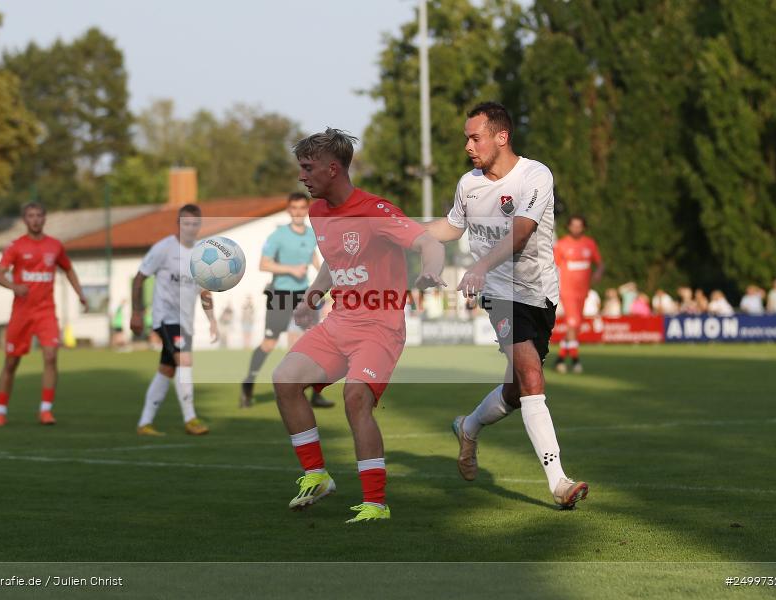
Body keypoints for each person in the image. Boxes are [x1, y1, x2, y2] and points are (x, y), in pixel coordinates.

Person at [271, 128, 446, 523]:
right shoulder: (318, 213)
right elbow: (335, 262)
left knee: (355, 399)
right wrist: (312, 296)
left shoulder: (375, 210)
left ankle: (375, 504)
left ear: (333, 169)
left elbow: (428, 243)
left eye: (308, 167)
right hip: (340, 323)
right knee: (285, 380)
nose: (302, 176)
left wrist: (431, 272)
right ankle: (316, 475)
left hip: (380, 327)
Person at [425, 101, 589, 509]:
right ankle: (559, 482)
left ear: (502, 137)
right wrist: (404, 230)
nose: (467, 145)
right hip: (500, 294)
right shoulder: (468, 185)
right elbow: (450, 226)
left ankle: (469, 426)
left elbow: (520, 233)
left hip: (539, 294)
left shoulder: (535, 175)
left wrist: (479, 264)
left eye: (474, 137)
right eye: (466, 137)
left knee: (518, 390)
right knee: (532, 376)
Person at [0, 201, 87, 427]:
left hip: (46, 312)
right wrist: (14, 286)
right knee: (11, 363)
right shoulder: (15, 247)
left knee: (51, 356)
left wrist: (80, 293)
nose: (35, 219)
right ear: (25, 220)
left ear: (45, 218)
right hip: (22, 313)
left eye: (39, 215)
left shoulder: (54, 246)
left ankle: (45, 411)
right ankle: (0, 412)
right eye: (30, 216)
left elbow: (68, 269)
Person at [130, 204, 218, 436]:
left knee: (166, 370)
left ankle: (144, 423)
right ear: (178, 224)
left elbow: (205, 291)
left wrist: (212, 320)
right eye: (185, 223)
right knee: (185, 361)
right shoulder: (164, 248)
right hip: (165, 318)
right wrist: (136, 312)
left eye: (194, 223)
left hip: (185, 322)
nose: (190, 228)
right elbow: (138, 279)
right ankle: (191, 418)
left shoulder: (201, 254)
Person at [239, 192, 332, 409]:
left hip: (305, 296)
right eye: (295, 208)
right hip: (279, 295)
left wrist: (327, 284)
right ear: (289, 210)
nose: (298, 212)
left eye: (302, 208)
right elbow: (263, 264)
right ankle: (248, 384)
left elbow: (315, 261)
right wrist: (290, 269)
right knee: (269, 343)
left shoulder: (312, 235)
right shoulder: (278, 235)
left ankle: (315, 394)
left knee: (312, 343)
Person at [552, 215, 603, 373]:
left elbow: (600, 264)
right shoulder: (561, 245)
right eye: (573, 225)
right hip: (567, 292)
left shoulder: (590, 244)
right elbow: (553, 268)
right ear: (569, 227)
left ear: (583, 227)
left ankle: (560, 358)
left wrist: (598, 273)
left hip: (583, 292)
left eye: (579, 225)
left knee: (575, 327)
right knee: (573, 325)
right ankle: (575, 361)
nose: (576, 228)